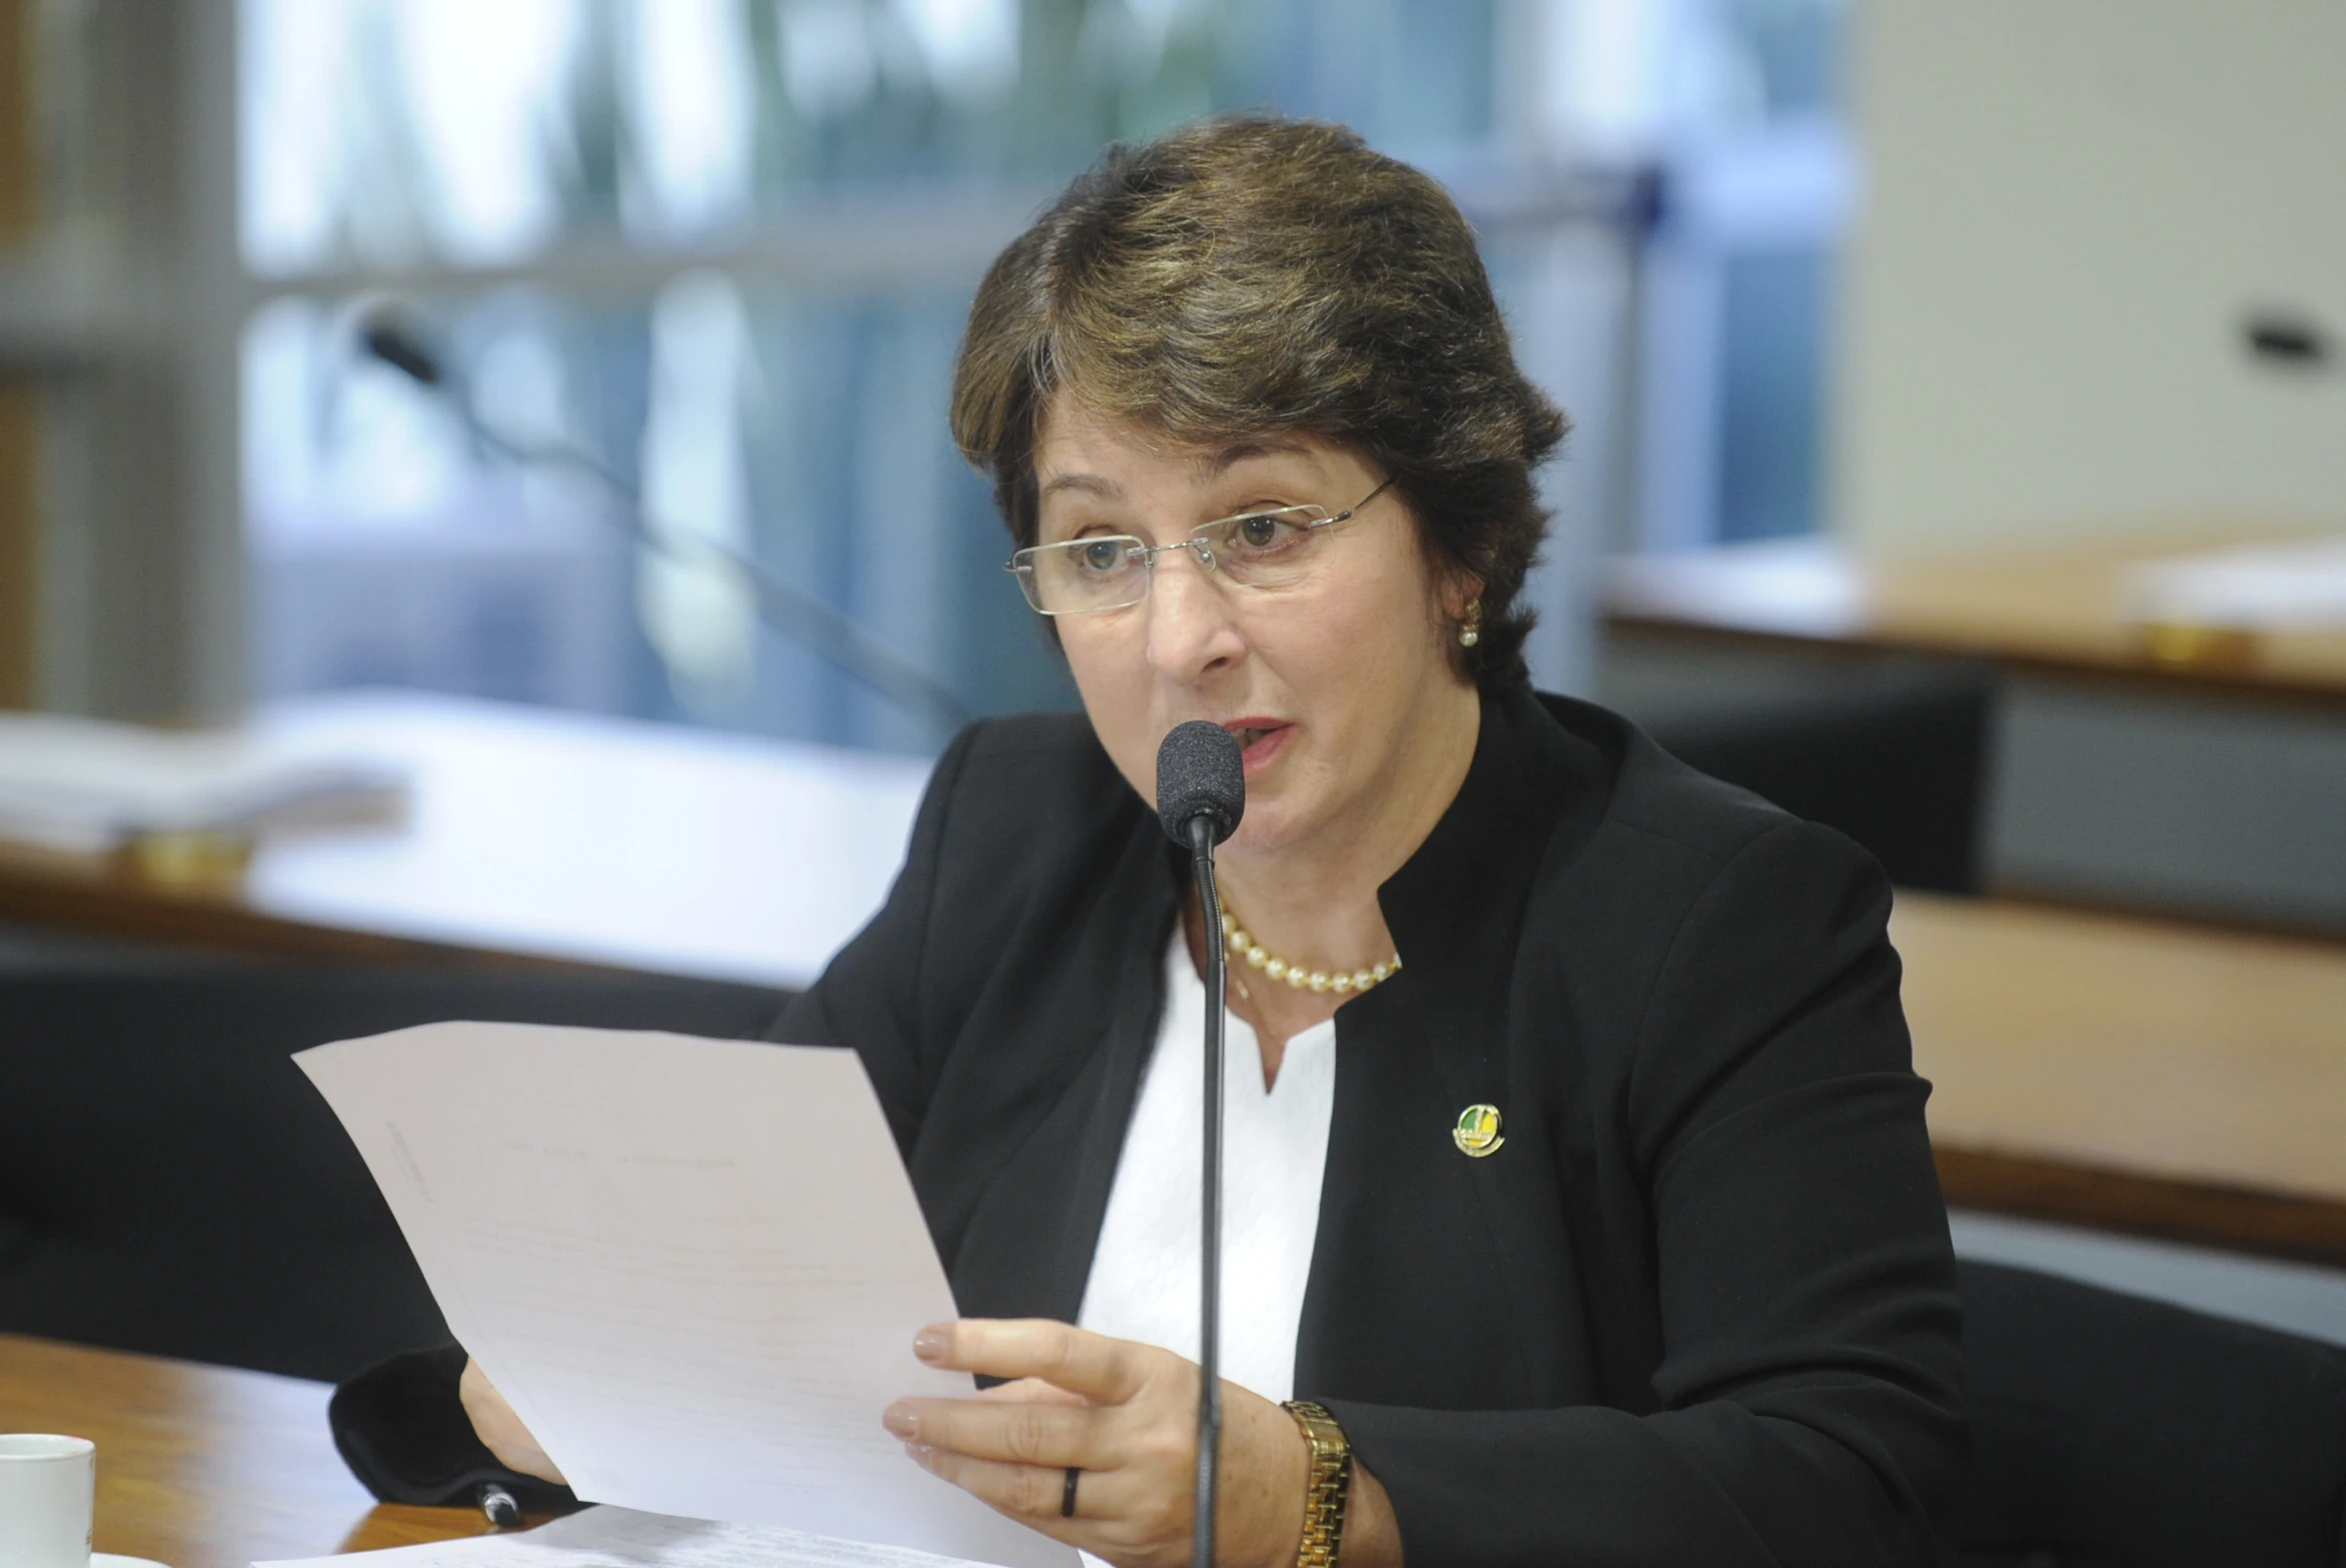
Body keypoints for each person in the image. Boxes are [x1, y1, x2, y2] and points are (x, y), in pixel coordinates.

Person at [335, 116, 1966, 1566]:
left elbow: (1844, 1486)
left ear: (1459, 543)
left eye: (1259, 528)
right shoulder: (1013, 840)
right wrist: (558, 1383)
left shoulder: (1714, 921)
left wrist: (1313, 1495)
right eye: (1100, 551)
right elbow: (669, 1315)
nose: (1179, 635)